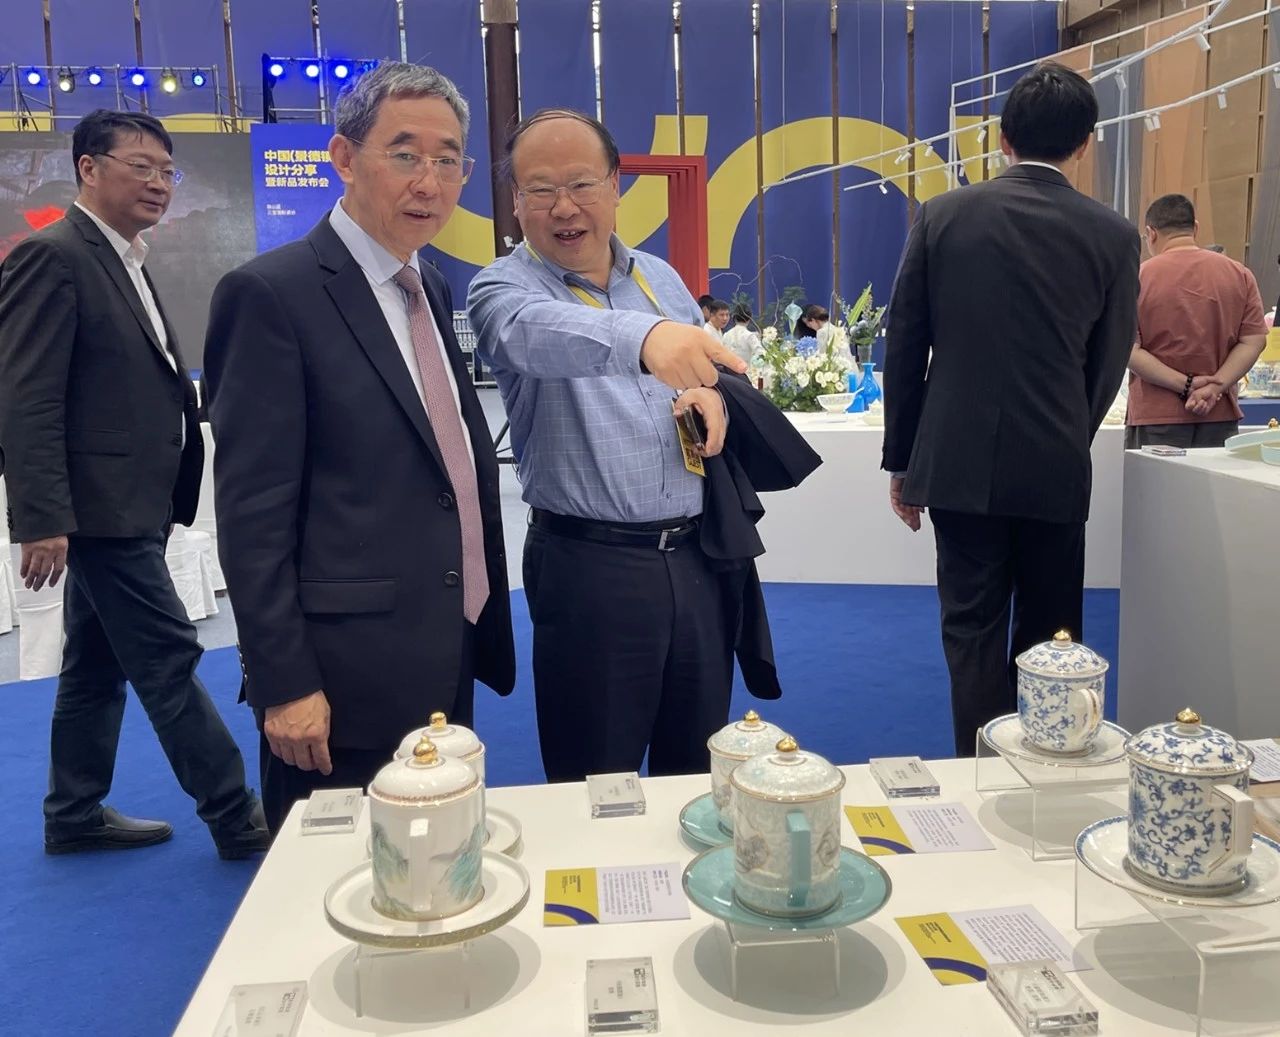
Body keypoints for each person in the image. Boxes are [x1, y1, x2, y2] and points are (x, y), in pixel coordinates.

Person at [203, 63, 515, 833]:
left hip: (445, 639)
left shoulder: (428, 286)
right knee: (332, 877)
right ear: (343, 157)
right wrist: (283, 681)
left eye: (448, 159)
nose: (429, 181)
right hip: (339, 676)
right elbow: (252, 514)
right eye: (405, 154)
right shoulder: (271, 295)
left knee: (434, 856)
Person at [0, 109, 268, 857]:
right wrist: (40, 515)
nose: (159, 183)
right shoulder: (52, 256)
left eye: (166, 170)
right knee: (168, 655)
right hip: (100, 511)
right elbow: (26, 395)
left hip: (134, 501)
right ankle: (236, 815)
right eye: (141, 166)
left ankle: (73, 811)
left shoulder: (126, 257)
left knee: (94, 662)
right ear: (89, 168)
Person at [467, 108, 750, 783]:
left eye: (581, 184)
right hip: (590, 566)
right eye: (540, 190)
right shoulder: (502, 288)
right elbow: (533, 333)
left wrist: (710, 397)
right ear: (515, 202)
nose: (564, 207)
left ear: (616, 186)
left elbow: (701, 373)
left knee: (695, 773)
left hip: (697, 556)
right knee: (594, 779)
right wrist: (646, 339)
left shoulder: (660, 277)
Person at [882, 62, 1139, 756]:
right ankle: (1046, 764)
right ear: (1085, 143)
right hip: (1055, 463)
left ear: (1001, 138)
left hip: (957, 462)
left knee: (970, 630)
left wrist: (902, 461)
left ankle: (979, 768)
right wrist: (1068, 430)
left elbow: (904, 345)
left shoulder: (942, 216)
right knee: (1053, 632)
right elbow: (1108, 362)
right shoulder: (1114, 235)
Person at [1126, 194, 1267, 449]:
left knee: (1156, 478)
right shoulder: (1240, 274)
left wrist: (1187, 385)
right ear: (1195, 228)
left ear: (1151, 233)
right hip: (1219, 413)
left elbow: (1129, 351)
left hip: (1157, 416)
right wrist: (1215, 386)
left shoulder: (1137, 278)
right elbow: (1254, 341)